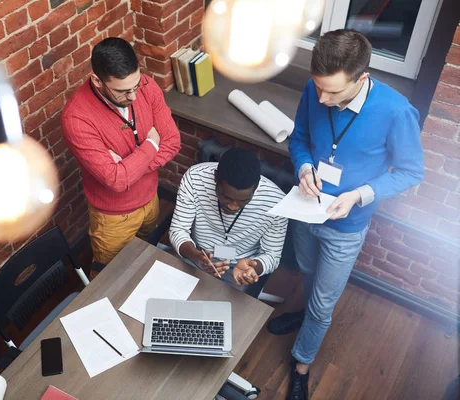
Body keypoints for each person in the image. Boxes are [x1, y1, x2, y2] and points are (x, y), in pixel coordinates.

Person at [269, 29, 424, 400]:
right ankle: (307, 319)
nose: (322, 98)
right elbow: (300, 139)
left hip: (348, 225)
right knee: (307, 271)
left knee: (324, 303)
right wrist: (304, 168)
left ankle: (302, 364)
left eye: (333, 92)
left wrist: (358, 195)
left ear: (362, 78)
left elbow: (411, 172)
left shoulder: (397, 111)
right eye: (318, 88)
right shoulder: (315, 89)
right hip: (307, 211)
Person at [61, 38, 181, 278]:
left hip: (151, 200)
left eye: (135, 85)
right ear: (97, 81)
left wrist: (128, 168)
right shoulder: (76, 118)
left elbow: (173, 142)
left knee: (144, 260)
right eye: (123, 91)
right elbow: (115, 182)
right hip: (114, 217)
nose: (134, 96)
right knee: (109, 277)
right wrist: (150, 144)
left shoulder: (146, 86)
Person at [168, 147, 288, 290]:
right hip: (195, 254)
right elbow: (178, 229)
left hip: (238, 269)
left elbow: (272, 255)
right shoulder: (195, 178)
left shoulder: (277, 203)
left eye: (243, 200)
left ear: (255, 188)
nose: (232, 206)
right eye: (226, 197)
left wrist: (255, 267)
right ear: (215, 178)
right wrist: (196, 257)